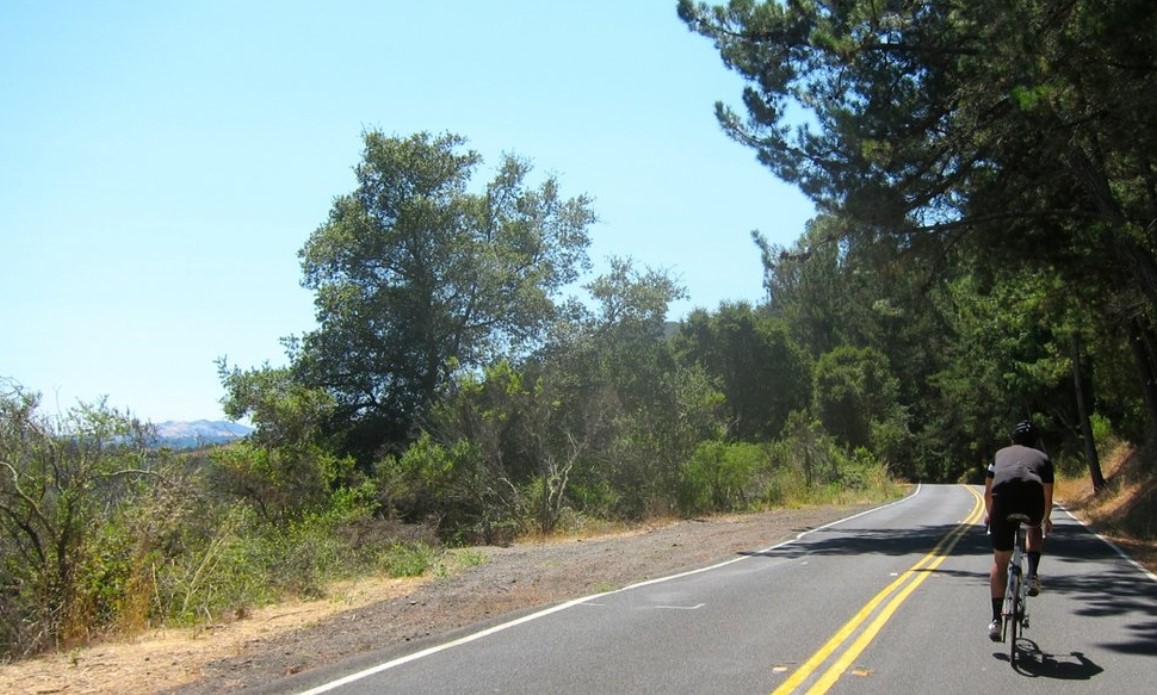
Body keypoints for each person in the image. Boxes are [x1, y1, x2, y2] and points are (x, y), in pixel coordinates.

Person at [983, 419, 1054, 641]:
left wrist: (990, 514)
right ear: (1035, 442)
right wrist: (1046, 519)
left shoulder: (999, 455)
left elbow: (987, 492)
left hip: (1002, 500)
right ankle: (1032, 573)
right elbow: (1047, 496)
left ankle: (996, 621)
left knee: (1000, 562)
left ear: (1012, 439)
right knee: (1034, 525)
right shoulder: (1043, 459)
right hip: (1031, 499)